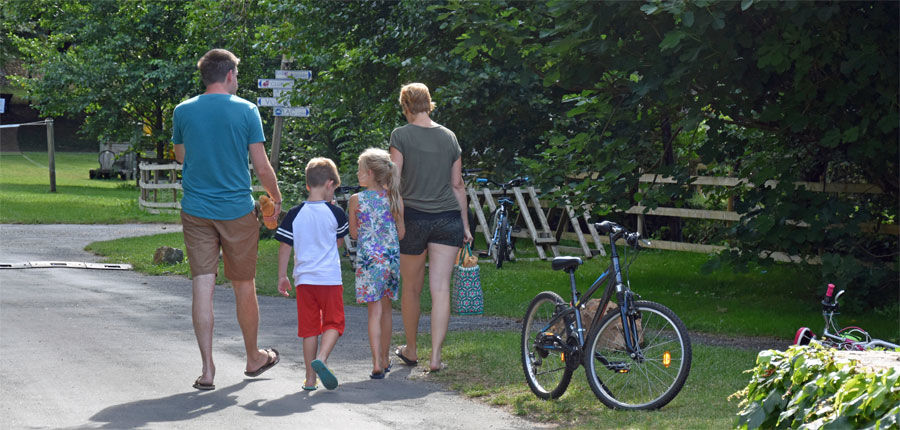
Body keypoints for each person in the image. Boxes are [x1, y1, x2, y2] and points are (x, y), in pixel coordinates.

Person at [172, 48, 282, 391]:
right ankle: (253, 357)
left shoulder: (183, 111)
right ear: (230, 74)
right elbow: (262, 166)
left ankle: (207, 370)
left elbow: (180, 156)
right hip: (237, 211)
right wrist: (276, 199)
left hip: (196, 211)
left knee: (202, 286)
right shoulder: (246, 111)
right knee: (243, 285)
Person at [389, 83, 472, 373]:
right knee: (441, 289)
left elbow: (394, 182)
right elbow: (458, 184)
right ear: (429, 103)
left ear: (406, 107)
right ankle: (435, 357)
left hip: (413, 218)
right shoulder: (449, 137)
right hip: (447, 217)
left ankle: (411, 351)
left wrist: (398, 220)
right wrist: (465, 225)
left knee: (411, 289)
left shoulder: (400, 135)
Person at [275, 157, 349, 391]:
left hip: (304, 280)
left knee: (309, 329)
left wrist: (282, 276)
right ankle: (323, 359)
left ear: (308, 185)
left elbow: (285, 246)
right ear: (330, 184)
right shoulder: (336, 213)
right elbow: (339, 241)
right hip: (329, 279)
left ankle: (309, 379)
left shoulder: (295, 214)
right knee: (334, 323)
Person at [347, 148, 405, 379]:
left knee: (374, 312)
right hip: (390, 260)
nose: (358, 175)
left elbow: (353, 233)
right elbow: (401, 233)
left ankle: (375, 364)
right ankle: (385, 357)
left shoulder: (356, 200)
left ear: (369, 173)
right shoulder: (394, 197)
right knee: (387, 309)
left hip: (368, 261)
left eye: (360, 171)